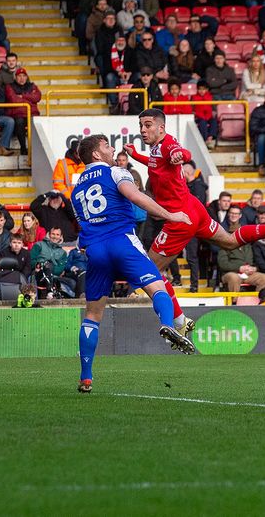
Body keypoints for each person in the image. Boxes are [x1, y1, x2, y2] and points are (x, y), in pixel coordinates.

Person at [124, 108, 265, 333]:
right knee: (231, 241)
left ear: (161, 128)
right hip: (195, 209)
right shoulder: (157, 149)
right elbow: (157, 163)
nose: (143, 130)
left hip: (179, 219)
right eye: (141, 126)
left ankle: (178, 321)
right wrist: (135, 155)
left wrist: (181, 156)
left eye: (147, 125)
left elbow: (182, 153)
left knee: (149, 271)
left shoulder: (167, 145)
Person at [70, 134, 200, 393]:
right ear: (96, 154)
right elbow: (137, 198)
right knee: (158, 287)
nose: (111, 149)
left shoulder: (75, 191)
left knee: (93, 315)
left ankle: (86, 377)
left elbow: (83, 228)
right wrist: (170, 215)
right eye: (106, 145)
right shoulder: (117, 173)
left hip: (95, 250)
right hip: (122, 241)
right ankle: (168, 323)